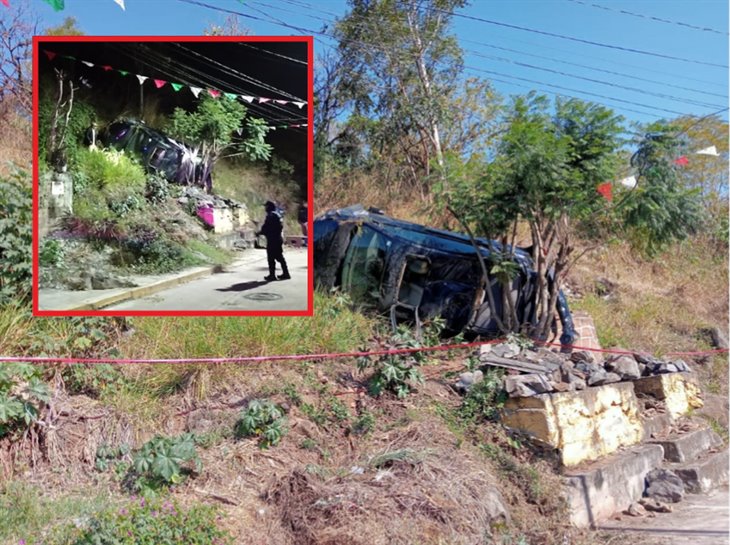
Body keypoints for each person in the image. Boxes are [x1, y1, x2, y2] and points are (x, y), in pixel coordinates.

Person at [256, 200, 290, 281]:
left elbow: (266, 228)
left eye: (266, 206)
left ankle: (272, 275)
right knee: (279, 257)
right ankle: (286, 273)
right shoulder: (277, 215)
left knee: (271, 258)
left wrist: (259, 233)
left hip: (273, 240)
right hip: (277, 239)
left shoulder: (271, 216)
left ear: (269, 207)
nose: (265, 208)